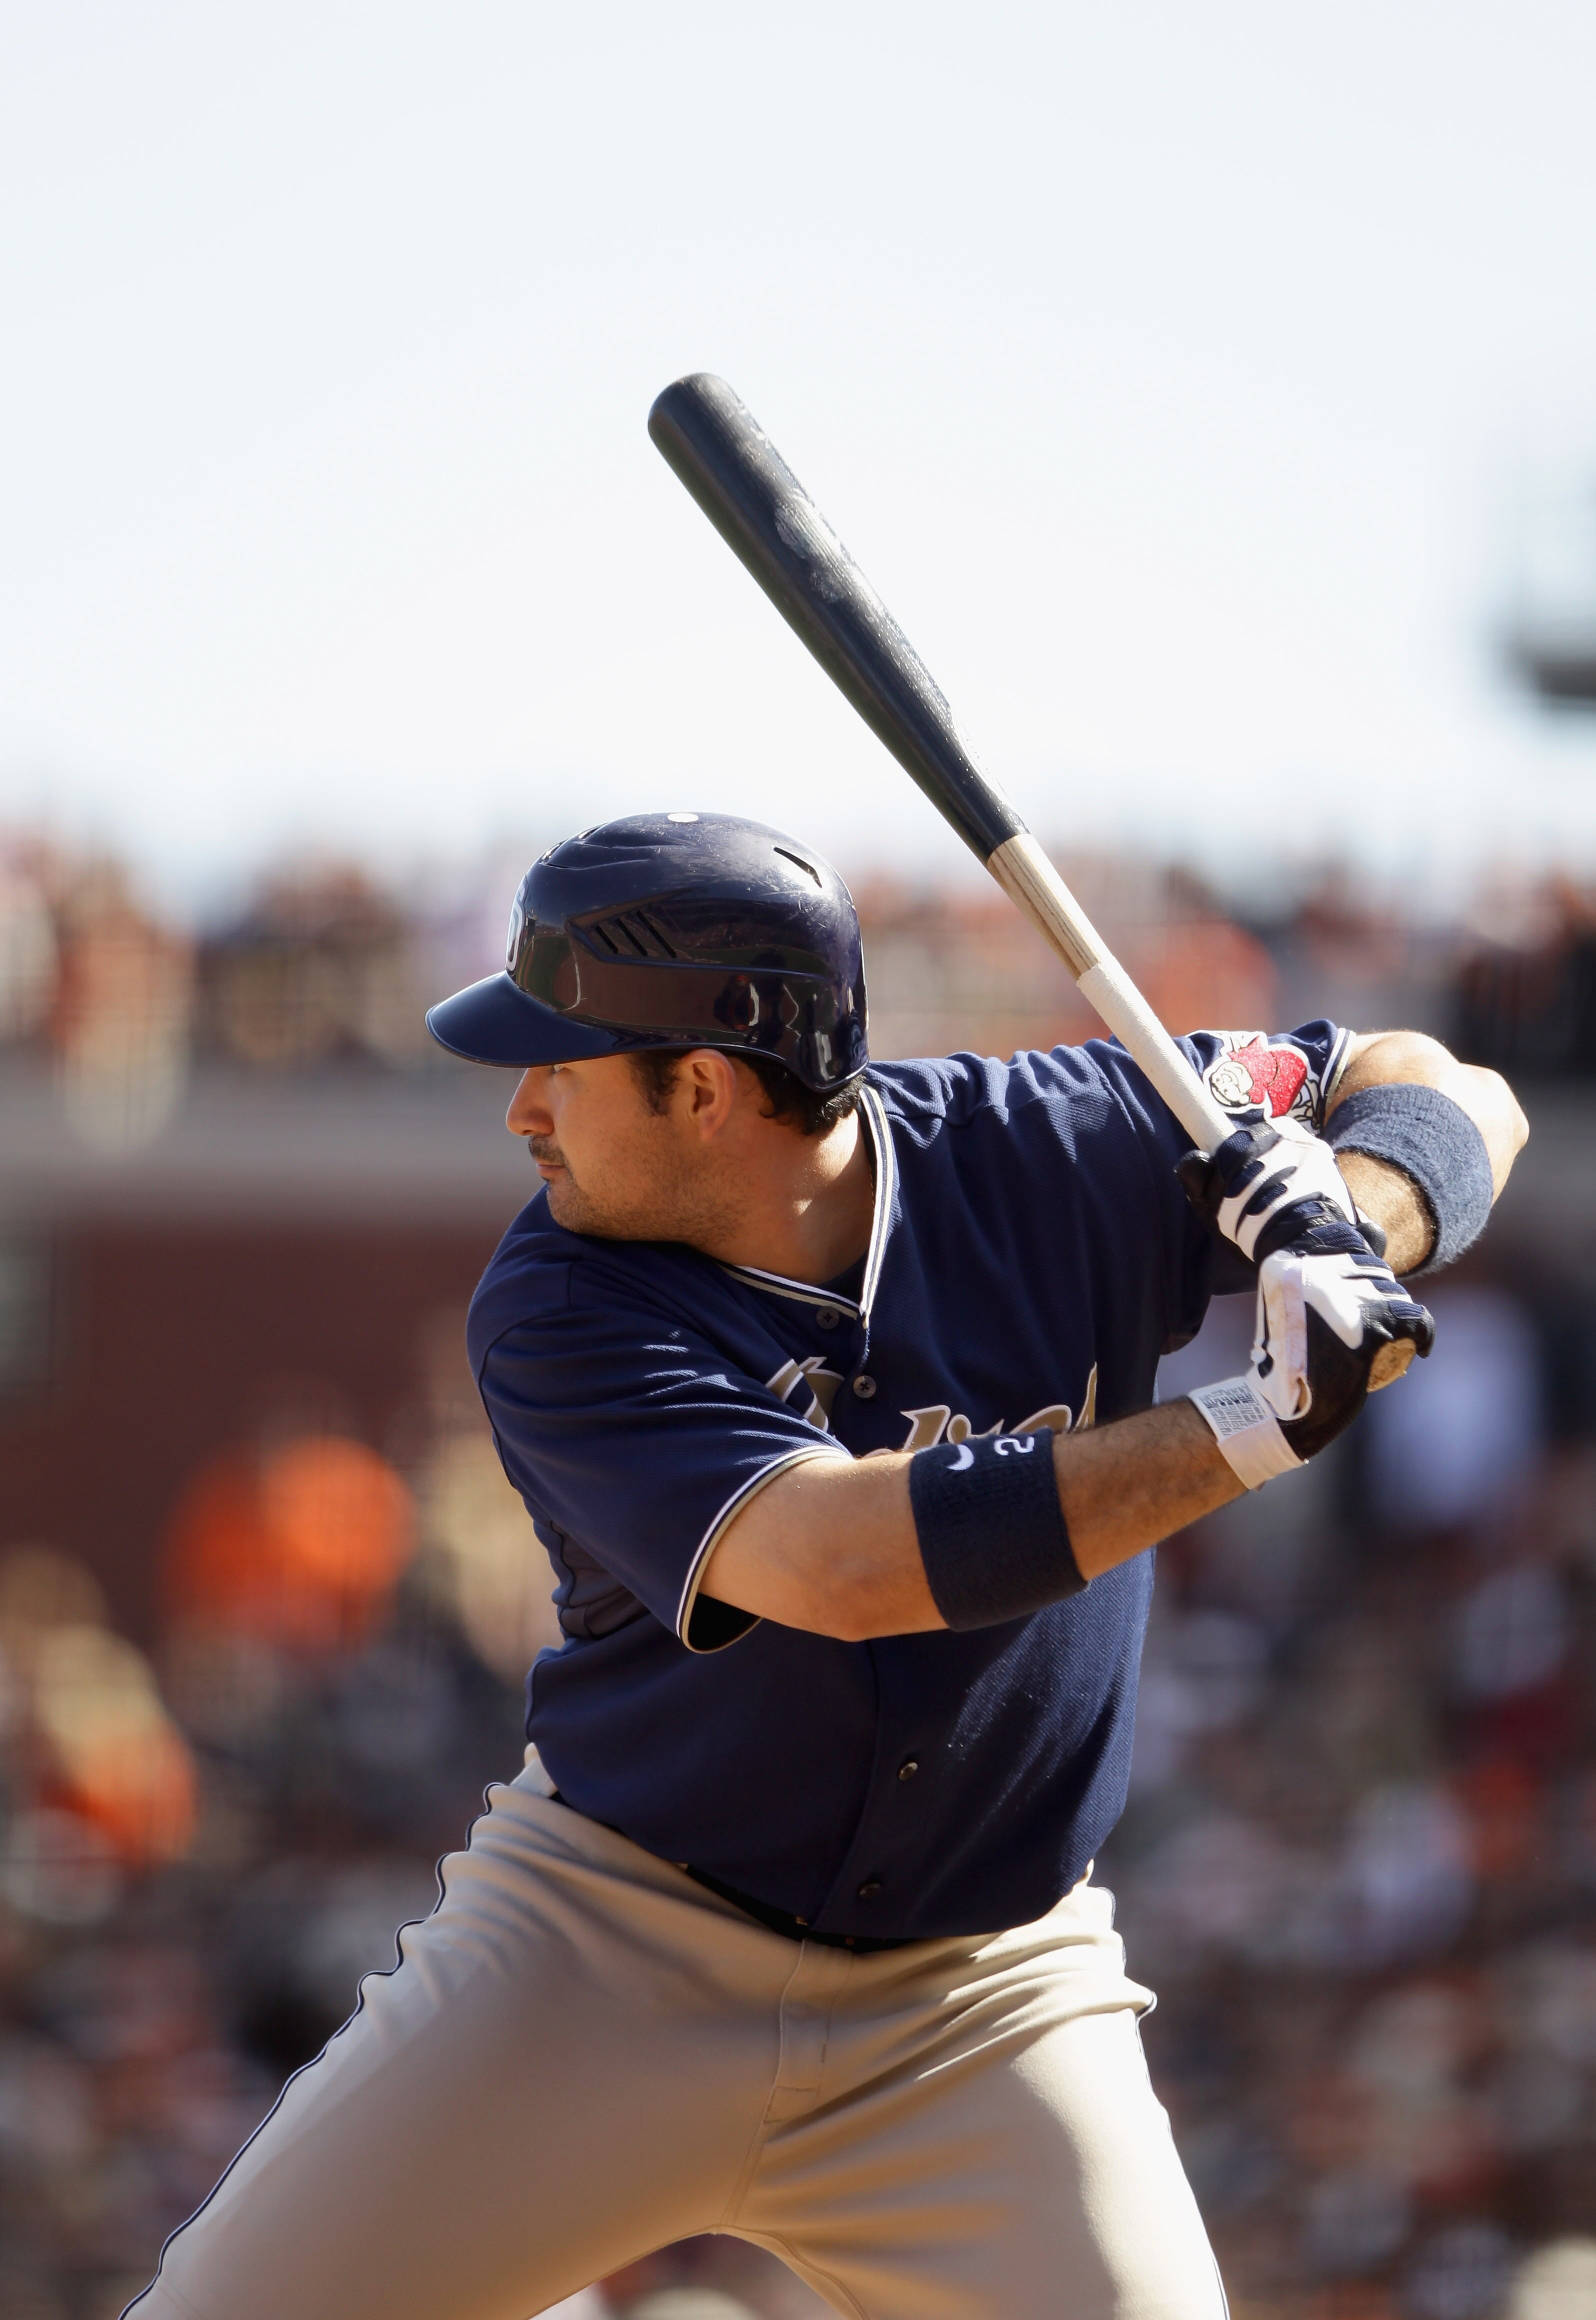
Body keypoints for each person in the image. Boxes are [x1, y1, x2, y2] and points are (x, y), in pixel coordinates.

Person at [126, 812, 1527, 2320]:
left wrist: (1354, 1222)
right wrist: (1252, 1424)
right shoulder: (557, 1303)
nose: (523, 1110)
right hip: (612, 1949)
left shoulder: (1055, 1143)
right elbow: (849, 1565)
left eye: (560, 1064)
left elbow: (1456, 1090)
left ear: (709, 1088)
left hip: (982, 1994)